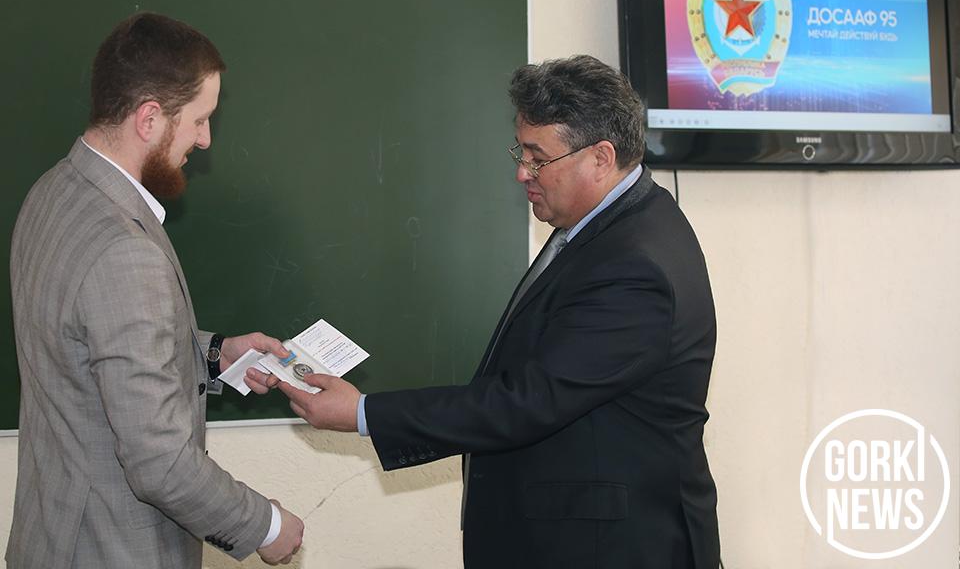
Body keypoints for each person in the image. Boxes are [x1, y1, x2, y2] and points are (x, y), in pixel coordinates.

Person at [250, 54, 721, 568]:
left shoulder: (634, 265)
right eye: (521, 152)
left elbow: (528, 402)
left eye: (538, 158)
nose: (522, 173)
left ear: (601, 158)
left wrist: (364, 414)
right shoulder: (609, 223)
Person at [8, 13, 304, 568]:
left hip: (52, 538)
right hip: (112, 550)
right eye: (200, 120)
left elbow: (88, 345)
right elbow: (160, 463)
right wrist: (264, 526)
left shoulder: (51, 193)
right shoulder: (124, 249)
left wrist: (215, 354)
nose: (205, 139)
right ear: (148, 118)